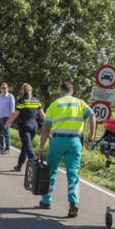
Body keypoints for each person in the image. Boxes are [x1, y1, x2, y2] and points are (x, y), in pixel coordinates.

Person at [37, 82, 96, 218]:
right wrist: (91, 135)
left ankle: (46, 201)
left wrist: (41, 147)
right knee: (73, 173)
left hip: (57, 140)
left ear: (60, 90)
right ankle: (73, 203)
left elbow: (46, 127)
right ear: (72, 91)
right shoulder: (80, 103)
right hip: (75, 141)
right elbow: (92, 115)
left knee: (51, 171)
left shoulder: (55, 104)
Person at [7, 83, 45, 171]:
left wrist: (8, 123)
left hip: (25, 127)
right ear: (31, 91)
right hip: (34, 127)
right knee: (25, 145)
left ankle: (33, 159)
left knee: (27, 146)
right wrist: (51, 124)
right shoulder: (37, 100)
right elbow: (43, 116)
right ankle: (19, 165)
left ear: (22, 91)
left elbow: (15, 115)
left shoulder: (21, 101)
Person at [0, 83, 16, 154]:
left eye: (5, 88)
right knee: (0, 134)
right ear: (0, 89)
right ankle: (1, 148)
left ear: (7, 88)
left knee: (6, 134)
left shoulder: (10, 96)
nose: (3, 89)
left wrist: (10, 120)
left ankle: (7, 149)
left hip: (6, 118)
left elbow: (12, 110)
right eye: (2, 88)